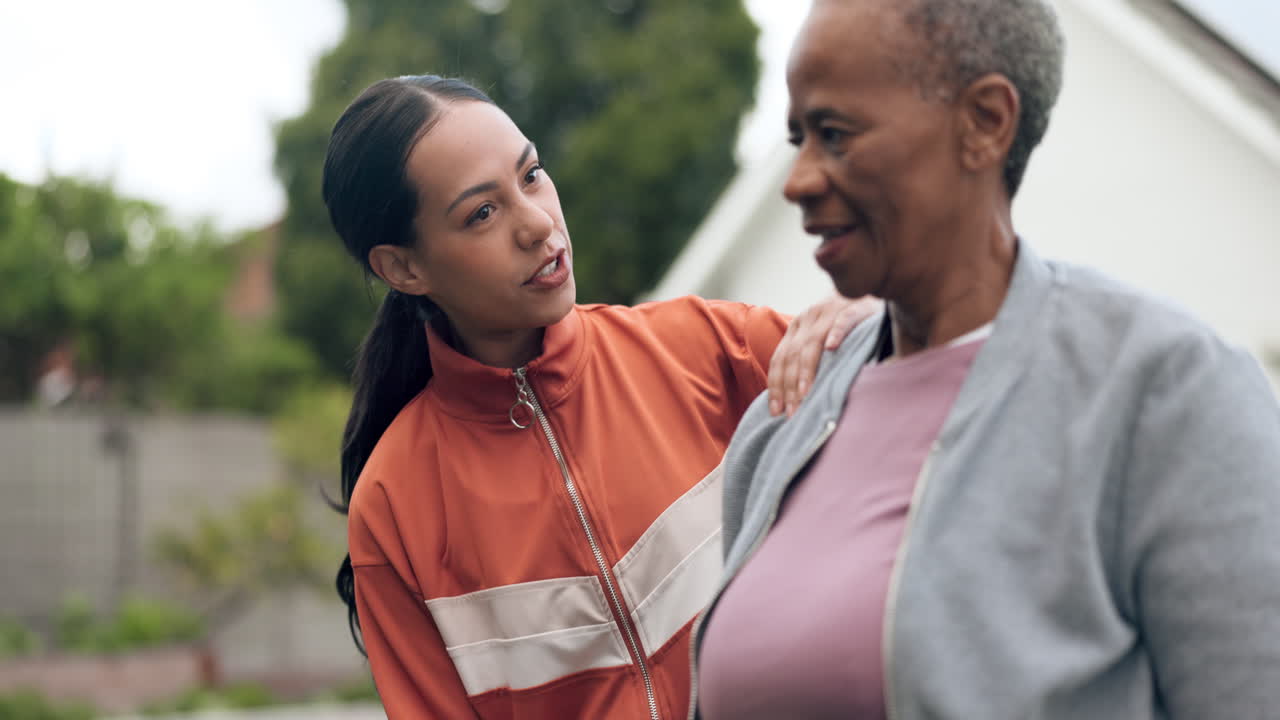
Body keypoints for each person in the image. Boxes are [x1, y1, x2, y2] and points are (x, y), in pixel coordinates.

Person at [693, 0, 1280, 718]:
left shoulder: (1166, 392)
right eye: (797, 138)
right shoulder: (780, 426)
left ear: (985, 122)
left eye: (835, 135)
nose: (799, 180)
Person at [323, 75, 876, 719]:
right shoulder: (394, 506)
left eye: (531, 175)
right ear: (403, 268)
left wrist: (868, 317)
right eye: (481, 212)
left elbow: (934, 401)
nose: (536, 224)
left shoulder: (708, 347)